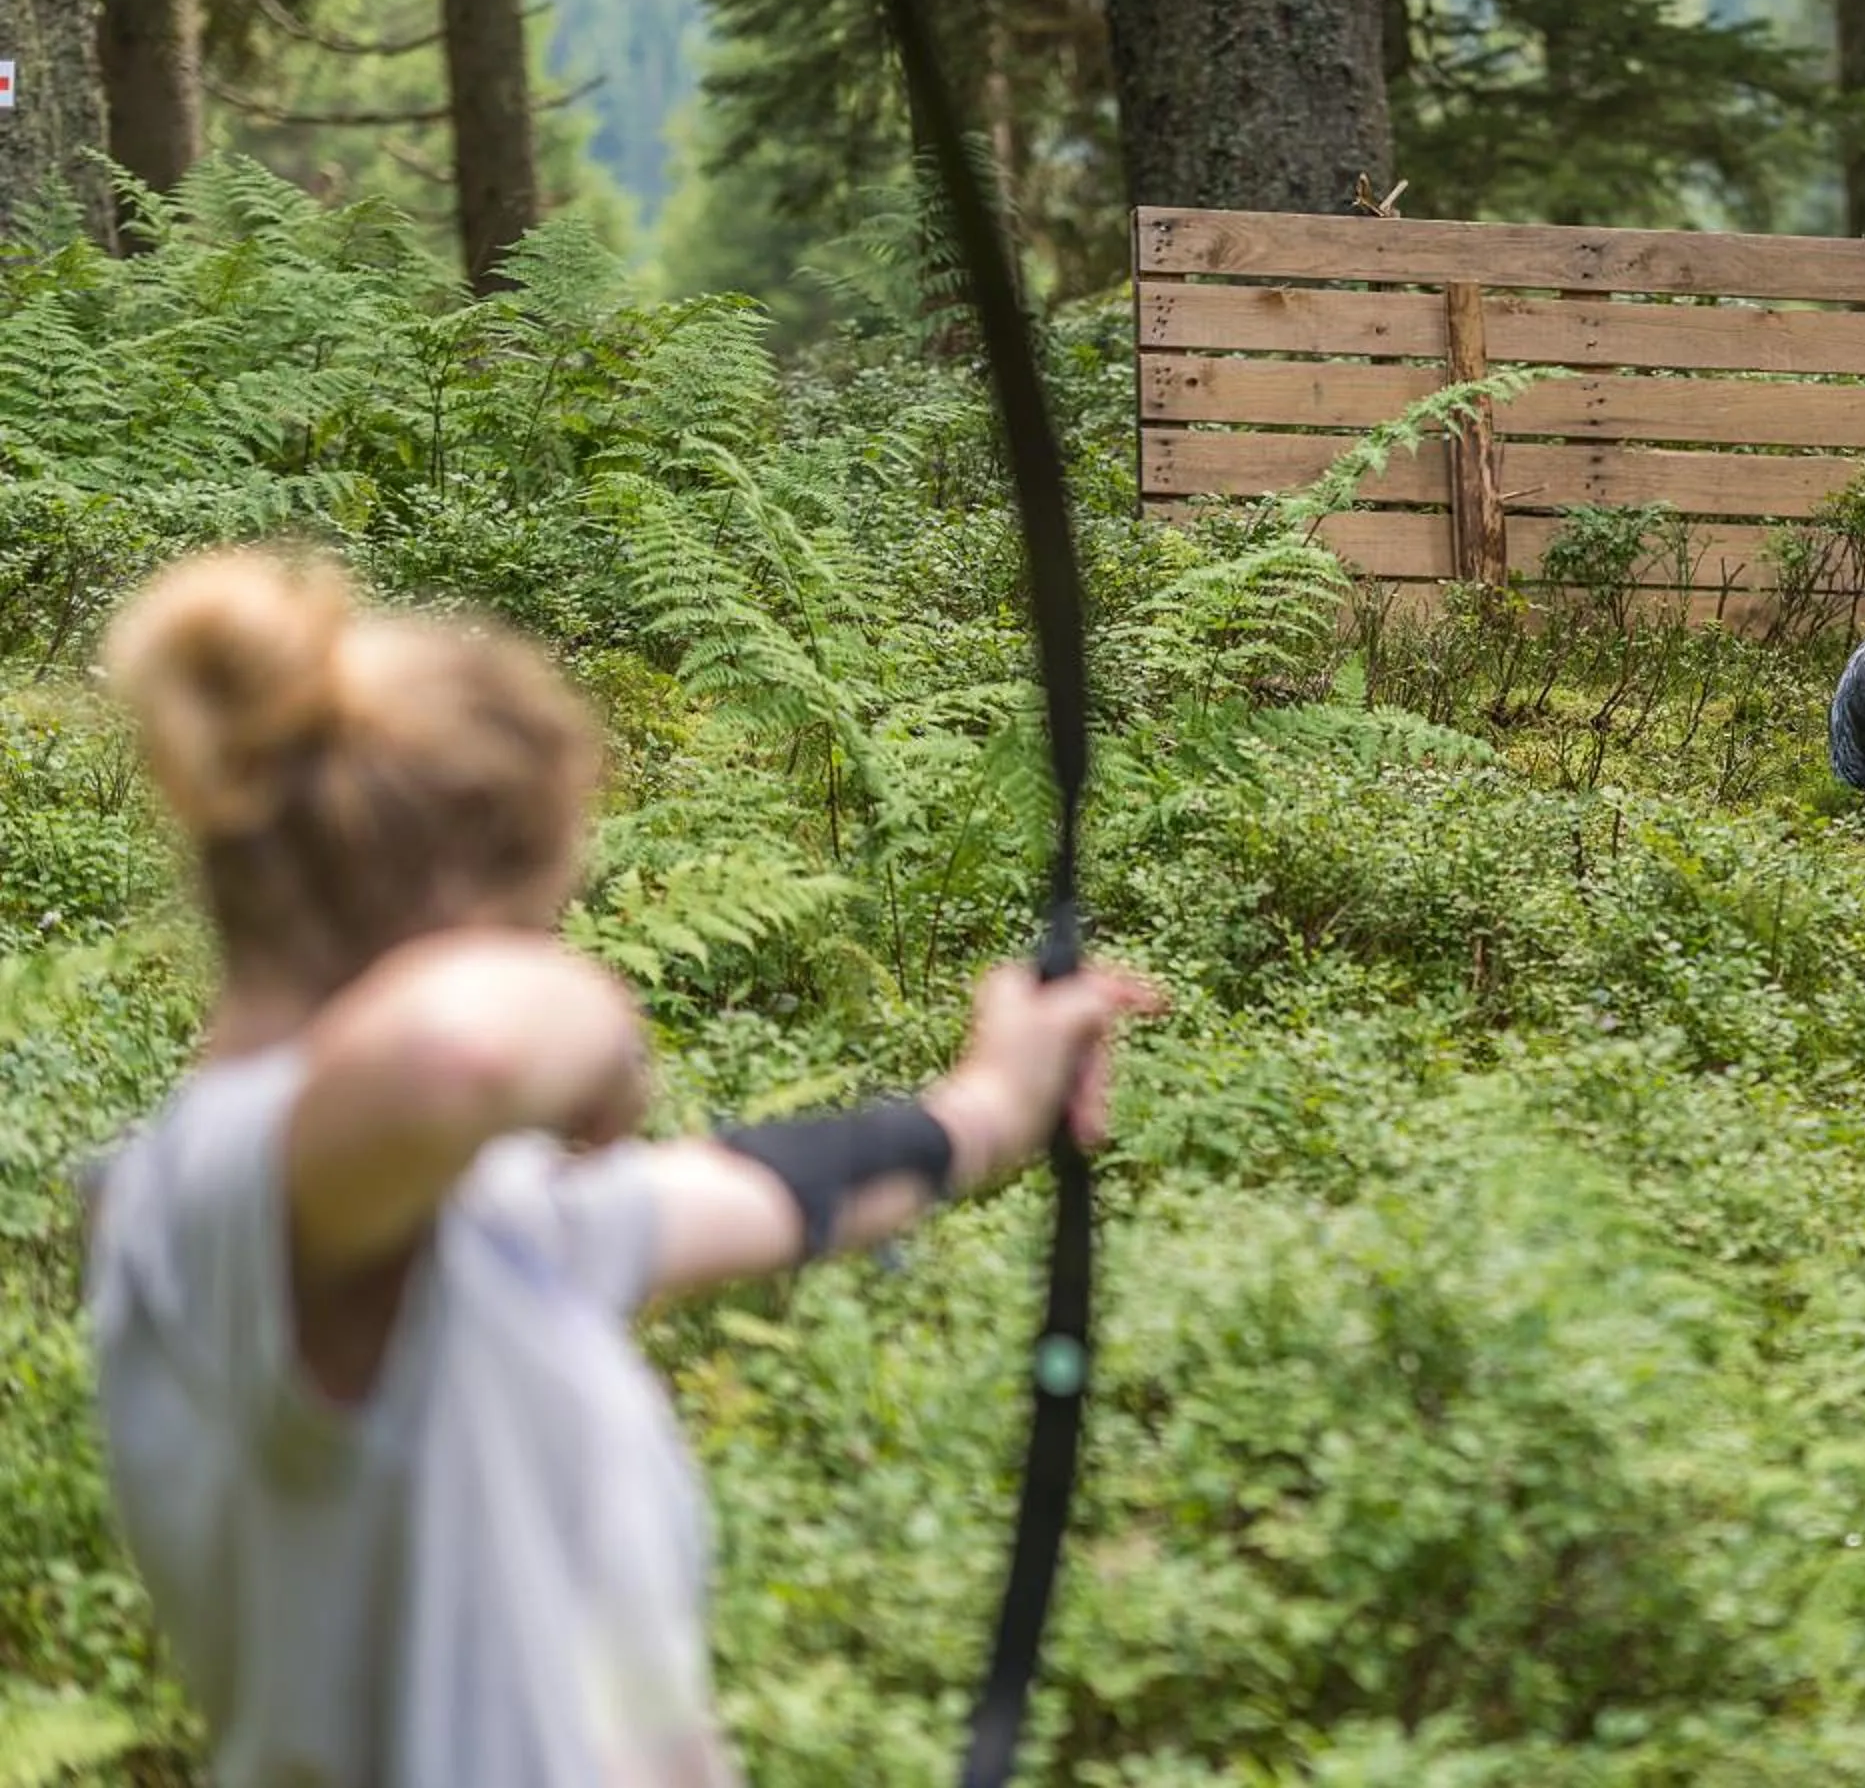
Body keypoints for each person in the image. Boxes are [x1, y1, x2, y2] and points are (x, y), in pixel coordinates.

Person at [78, 546, 1162, 1787]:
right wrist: (598, 1032)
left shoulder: (451, 1212)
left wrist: (990, 1100)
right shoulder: (225, 1186)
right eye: (547, 918)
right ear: (466, 904)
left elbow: (754, 1194)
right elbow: (461, 1056)